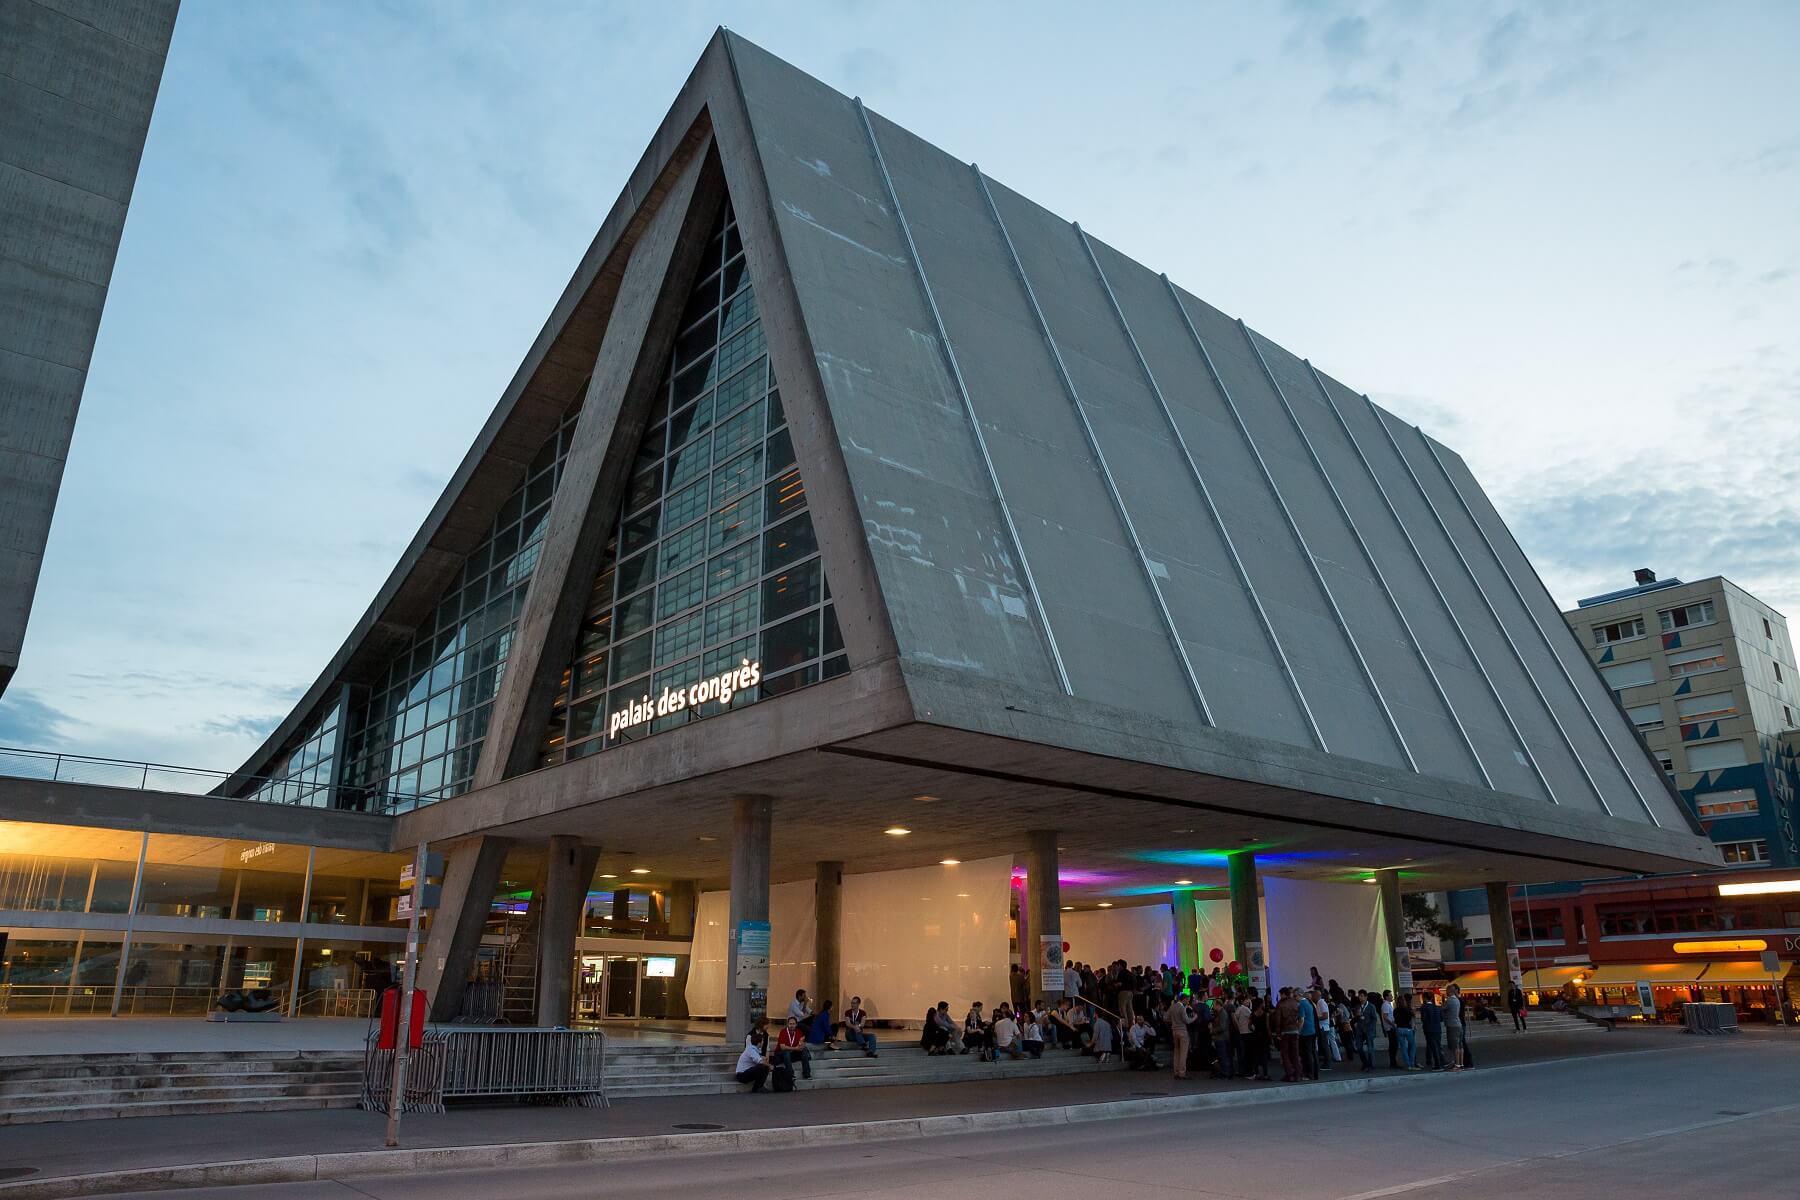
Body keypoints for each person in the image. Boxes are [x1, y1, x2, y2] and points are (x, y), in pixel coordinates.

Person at [1275, 987, 1303, 1083]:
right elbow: (1300, 1017)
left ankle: (1289, 1074)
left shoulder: (1281, 1004)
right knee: (1295, 1053)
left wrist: (1278, 1032)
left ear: (1283, 994)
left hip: (1285, 1031)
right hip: (1295, 1030)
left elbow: (1278, 1019)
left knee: (1285, 1054)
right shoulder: (1296, 1003)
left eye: (1280, 994)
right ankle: (1298, 1074)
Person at [774, 1015, 812, 1080]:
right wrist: (796, 1048)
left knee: (804, 1050)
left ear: (796, 1024)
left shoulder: (799, 1032)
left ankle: (807, 1074)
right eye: (790, 1024)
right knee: (786, 1052)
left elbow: (800, 1044)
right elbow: (782, 1047)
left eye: (793, 1024)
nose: (792, 1025)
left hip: (792, 1053)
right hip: (781, 1054)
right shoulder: (783, 1032)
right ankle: (790, 1075)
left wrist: (801, 1045)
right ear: (787, 1024)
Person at [1169, 994, 1195, 1079]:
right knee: (1183, 1053)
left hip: (1174, 1031)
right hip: (1182, 1031)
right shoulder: (1182, 1008)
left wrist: (1173, 1021)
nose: (1188, 1002)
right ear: (1184, 999)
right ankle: (1182, 1073)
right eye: (1187, 1000)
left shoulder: (1172, 1007)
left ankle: (1176, 1072)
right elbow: (1187, 1021)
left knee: (1176, 1052)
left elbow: (1165, 1017)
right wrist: (1195, 1017)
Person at [1210, 993, 1234, 1079]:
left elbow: (1222, 1027)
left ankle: (1225, 1073)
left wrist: (1213, 1030)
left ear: (1218, 1005)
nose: (1213, 1007)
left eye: (1214, 1005)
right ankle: (1225, 1072)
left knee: (1223, 1056)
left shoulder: (1222, 1013)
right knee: (1222, 1056)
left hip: (1221, 1038)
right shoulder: (1220, 1013)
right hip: (1220, 1038)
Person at [1298, 987, 1320, 1080]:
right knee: (1313, 1052)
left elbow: (1301, 1019)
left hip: (1305, 1032)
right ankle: (1315, 1073)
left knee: (1307, 1053)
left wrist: (1298, 1031)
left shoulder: (1302, 1004)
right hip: (1313, 1030)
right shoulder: (1310, 1003)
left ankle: (1309, 1073)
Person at [1419, 990, 1444, 1070]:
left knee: (1433, 1047)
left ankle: (1437, 1064)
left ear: (1425, 998)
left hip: (1429, 1029)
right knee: (1438, 1045)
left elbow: (1423, 1019)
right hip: (1437, 1028)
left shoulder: (1424, 1007)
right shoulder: (1437, 1007)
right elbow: (1441, 1018)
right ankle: (1441, 1062)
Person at [1443, 984, 1466, 1072]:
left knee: (1455, 1046)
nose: (1446, 992)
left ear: (1450, 991)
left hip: (1452, 1025)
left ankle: (1457, 1065)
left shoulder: (1449, 1000)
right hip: (1458, 1024)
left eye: (1447, 990)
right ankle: (1461, 1064)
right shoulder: (1457, 1000)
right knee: (1460, 1046)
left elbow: (1442, 1008)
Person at [1356, 991, 1380, 1072]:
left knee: (1370, 1048)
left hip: (1369, 1030)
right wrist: (1357, 1016)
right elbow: (1356, 1018)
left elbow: (1374, 1018)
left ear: (1366, 997)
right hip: (1360, 1029)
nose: (1360, 998)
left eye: (1362, 996)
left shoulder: (1371, 1006)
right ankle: (1365, 1062)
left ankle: (1371, 1065)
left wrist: (1370, 1028)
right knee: (1359, 1047)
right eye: (1359, 996)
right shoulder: (1358, 1006)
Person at [1394, 992, 1418, 1071]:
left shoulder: (1395, 1010)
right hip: (1407, 1029)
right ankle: (1411, 1063)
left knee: (1403, 1048)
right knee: (1412, 1046)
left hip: (1399, 1029)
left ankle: (1408, 1065)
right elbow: (1412, 1017)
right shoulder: (1407, 1010)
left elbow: (1395, 1020)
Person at [1381, 989, 1398, 1069]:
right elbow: (1385, 1017)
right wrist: (1393, 1024)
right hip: (1390, 1028)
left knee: (1394, 1045)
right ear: (1386, 996)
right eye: (1390, 995)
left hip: (1391, 1027)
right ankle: (1393, 1062)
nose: (1392, 997)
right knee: (1393, 1045)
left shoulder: (1388, 1005)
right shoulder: (1386, 1005)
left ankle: (1393, 1061)